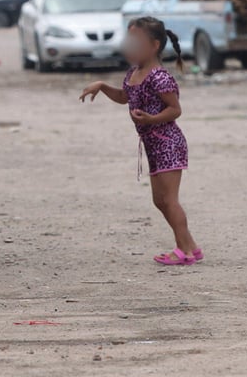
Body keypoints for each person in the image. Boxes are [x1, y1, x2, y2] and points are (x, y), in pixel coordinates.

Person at [80, 16, 202, 266]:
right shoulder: (134, 73)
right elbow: (125, 97)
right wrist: (102, 86)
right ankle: (191, 246)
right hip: (152, 145)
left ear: (154, 45)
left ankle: (183, 251)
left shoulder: (159, 77)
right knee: (159, 200)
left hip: (168, 143)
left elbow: (175, 109)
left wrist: (151, 119)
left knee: (169, 200)